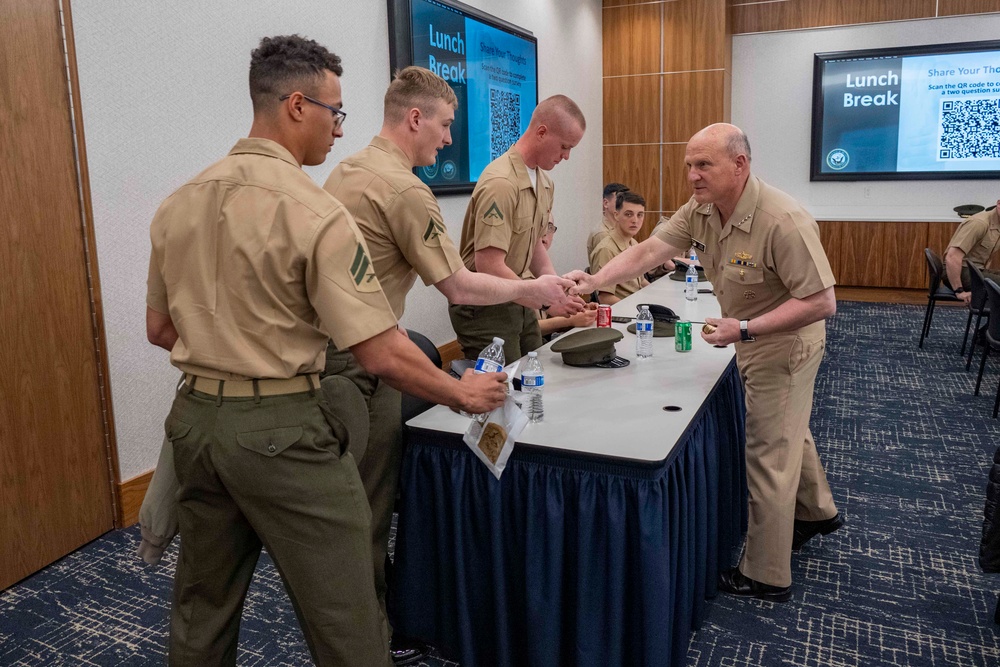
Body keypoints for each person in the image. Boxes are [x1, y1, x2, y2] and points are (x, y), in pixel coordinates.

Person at [145, 36, 507, 666]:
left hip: (194, 425)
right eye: (335, 112)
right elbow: (379, 353)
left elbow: (160, 330)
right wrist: (460, 392)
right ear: (295, 105)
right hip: (283, 433)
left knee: (202, 608)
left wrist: (232, 344)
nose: (340, 129)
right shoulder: (314, 210)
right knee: (348, 616)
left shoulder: (180, 202)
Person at [320, 65, 577, 663]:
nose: (446, 139)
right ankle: (373, 634)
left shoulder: (347, 172)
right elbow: (461, 285)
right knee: (369, 506)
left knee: (352, 500)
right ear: (415, 118)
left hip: (343, 351)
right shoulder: (407, 190)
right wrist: (530, 293)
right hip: (362, 364)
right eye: (444, 125)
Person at [566, 123, 842, 602]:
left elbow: (822, 302)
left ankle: (766, 574)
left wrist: (747, 329)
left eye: (704, 165)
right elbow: (651, 250)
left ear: (740, 165)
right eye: (689, 165)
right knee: (789, 427)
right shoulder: (702, 209)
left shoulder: (783, 219)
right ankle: (818, 511)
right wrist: (593, 282)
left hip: (783, 342)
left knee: (769, 454)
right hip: (749, 335)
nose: (692, 175)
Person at [449, 95, 588, 363]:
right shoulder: (500, 182)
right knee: (505, 391)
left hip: (522, 299)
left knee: (537, 375)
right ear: (542, 132)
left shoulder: (544, 182)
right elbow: (489, 264)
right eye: (563, 146)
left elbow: (533, 243)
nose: (567, 156)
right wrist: (544, 299)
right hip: (486, 307)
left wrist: (558, 290)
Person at [538, 214, 598, 338]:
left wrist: (575, 310)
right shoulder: (516, 270)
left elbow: (546, 313)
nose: (544, 232)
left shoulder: (543, 267)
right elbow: (526, 330)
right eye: (540, 224)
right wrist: (570, 320)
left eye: (549, 227)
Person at [589, 190, 649, 304]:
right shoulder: (606, 249)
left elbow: (641, 281)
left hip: (638, 303)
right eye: (628, 214)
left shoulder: (634, 243)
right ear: (616, 215)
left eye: (640, 215)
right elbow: (605, 298)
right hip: (623, 313)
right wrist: (637, 311)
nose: (635, 220)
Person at [944, 202, 1000, 305]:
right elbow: (952, 257)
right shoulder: (979, 223)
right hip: (959, 271)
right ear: (999, 204)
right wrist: (959, 291)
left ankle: (991, 320)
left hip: (976, 271)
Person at [587, 182, 629, 258]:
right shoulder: (602, 234)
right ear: (606, 203)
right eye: (619, 201)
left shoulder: (622, 229)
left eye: (626, 201)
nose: (624, 205)